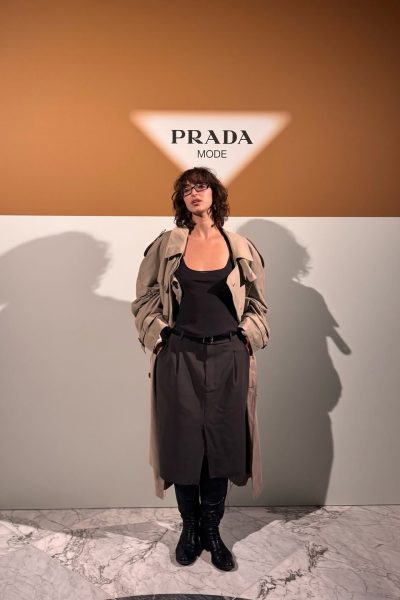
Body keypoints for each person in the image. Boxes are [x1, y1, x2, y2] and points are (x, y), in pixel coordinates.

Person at [131, 166, 269, 571]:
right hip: (179, 357)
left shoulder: (240, 246)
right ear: (181, 199)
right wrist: (160, 335)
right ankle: (189, 530)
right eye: (187, 189)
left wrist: (247, 336)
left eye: (202, 187)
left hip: (228, 357)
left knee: (223, 447)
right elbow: (144, 299)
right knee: (183, 446)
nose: (195, 193)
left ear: (214, 195)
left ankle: (212, 531)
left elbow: (258, 304)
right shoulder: (166, 245)